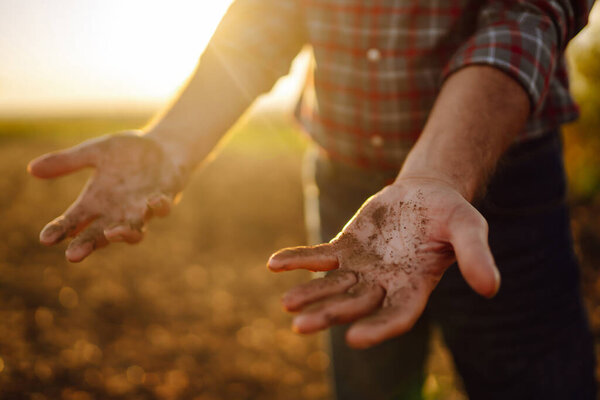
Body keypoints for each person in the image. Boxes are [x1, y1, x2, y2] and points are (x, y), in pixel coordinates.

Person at [28, 0, 597, 399]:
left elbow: (528, 14)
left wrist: (438, 174)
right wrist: (174, 141)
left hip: (504, 180)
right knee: (369, 386)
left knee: (534, 382)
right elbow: (270, 15)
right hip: (350, 191)